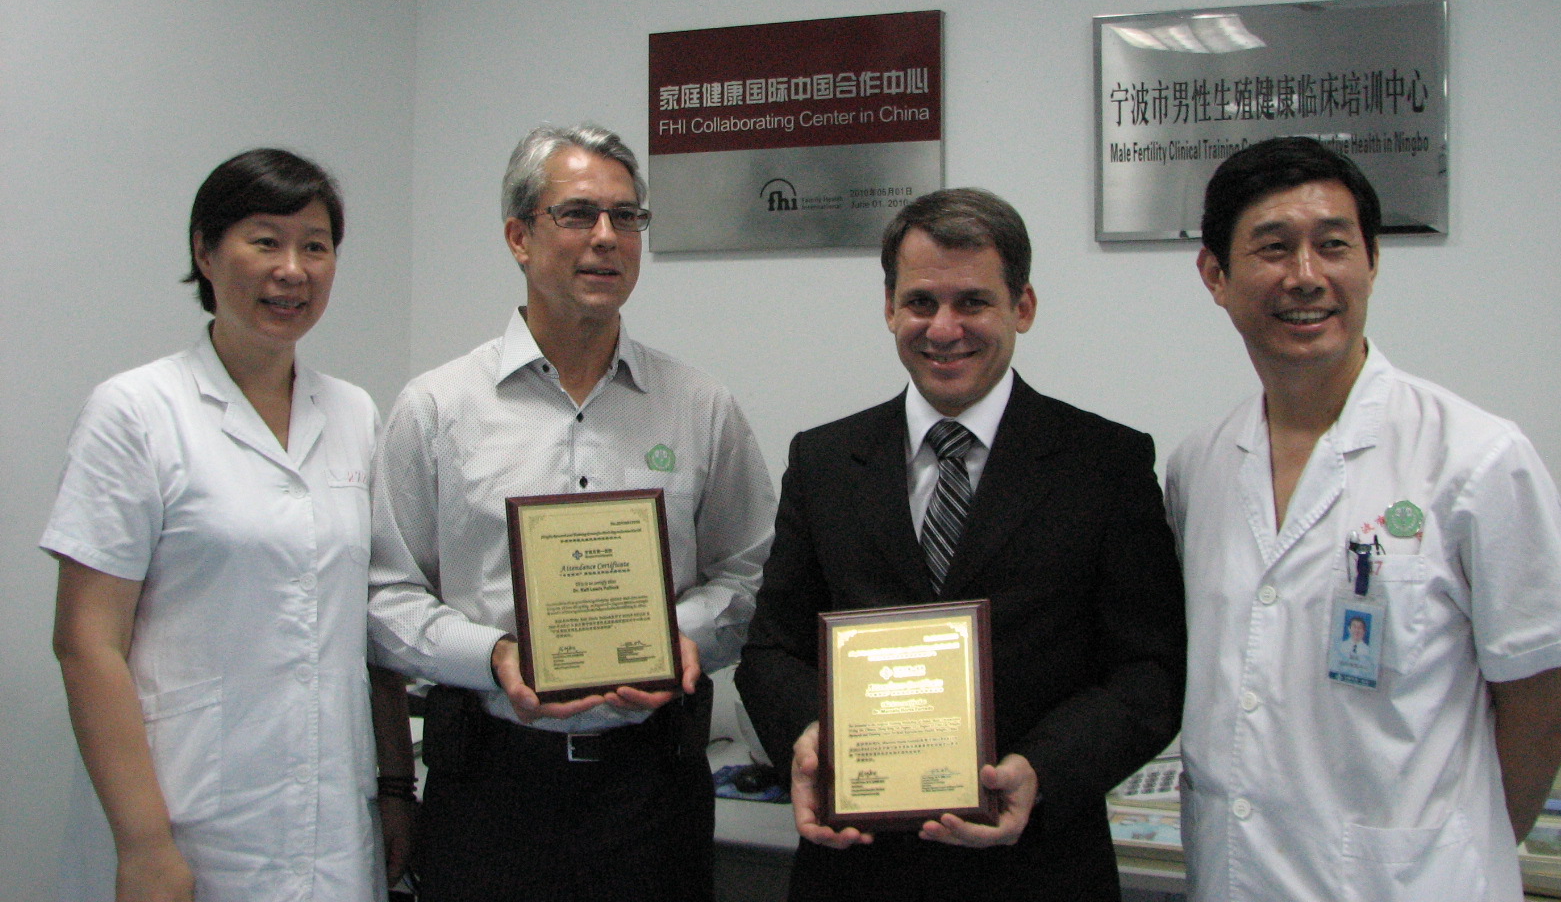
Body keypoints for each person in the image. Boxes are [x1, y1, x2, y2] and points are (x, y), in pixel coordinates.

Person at [1167, 136, 1561, 901]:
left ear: (1371, 262)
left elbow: (1543, 717)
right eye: (1273, 247)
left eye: (1334, 245)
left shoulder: (1476, 459)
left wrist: (1449, 851)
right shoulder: (1199, 466)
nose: (1307, 276)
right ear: (1215, 275)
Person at [735, 187, 1186, 901]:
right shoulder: (823, 461)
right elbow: (770, 651)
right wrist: (810, 737)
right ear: (889, 308)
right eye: (921, 302)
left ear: (1022, 307)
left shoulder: (1106, 464)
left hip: (1039, 866)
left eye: (973, 302)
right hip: (857, 868)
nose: (944, 329)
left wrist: (1042, 769)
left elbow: (1149, 672)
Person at [366, 123, 777, 902]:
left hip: (653, 791)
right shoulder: (436, 409)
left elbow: (753, 576)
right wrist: (494, 656)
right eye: (578, 214)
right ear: (519, 237)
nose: (607, 238)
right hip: (488, 789)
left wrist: (676, 639)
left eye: (627, 217)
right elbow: (384, 599)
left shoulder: (699, 407)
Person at [43, 149, 413, 902]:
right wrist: (145, 845)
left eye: (315, 246)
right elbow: (86, 642)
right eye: (265, 241)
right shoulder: (136, 412)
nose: (293, 270)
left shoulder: (354, 413)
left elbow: (366, 626)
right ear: (205, 253)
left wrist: (396, 788)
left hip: (335, 823)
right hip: (188, 820)